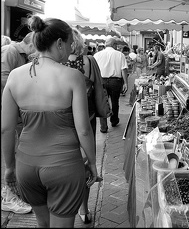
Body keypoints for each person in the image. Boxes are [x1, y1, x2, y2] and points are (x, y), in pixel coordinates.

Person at [1, 15, 98, 227]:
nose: (72, 49)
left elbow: (6, 129)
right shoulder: (72, 76)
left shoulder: (15, 76)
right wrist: (91, 162)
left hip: (26, 166)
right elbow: (83, 130)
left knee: (42, 224)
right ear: (60, 43)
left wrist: (9, 167)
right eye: (71, 44)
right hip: (64, 166)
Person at [62, 29, 104, 223]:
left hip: (61, 119)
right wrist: (104, 112)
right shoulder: (88, 61)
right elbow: (98, 91)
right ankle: (84, 210)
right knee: (86, 161)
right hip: (86, 117)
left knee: (64, 162)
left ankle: (64, 207)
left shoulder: (55, 64)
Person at [1, 32, 36, 214]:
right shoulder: (11, 51)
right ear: (31, 45)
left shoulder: (21, 55)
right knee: (10, 152)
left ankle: (12, 192)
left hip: (15, 113)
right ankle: (9, 197)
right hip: (8, 111)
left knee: (16, 151)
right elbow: (4, 78)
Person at [93, 37, 128, 132]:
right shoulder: (120, 55)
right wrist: (125, 83)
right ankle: (114, 120)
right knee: (115, 102)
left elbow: (94, 71)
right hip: (115, 81)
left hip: (101, 81)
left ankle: (103, 127)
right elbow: (123, 69)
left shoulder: (97, 55)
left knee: (102, 103)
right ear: (114, 45)